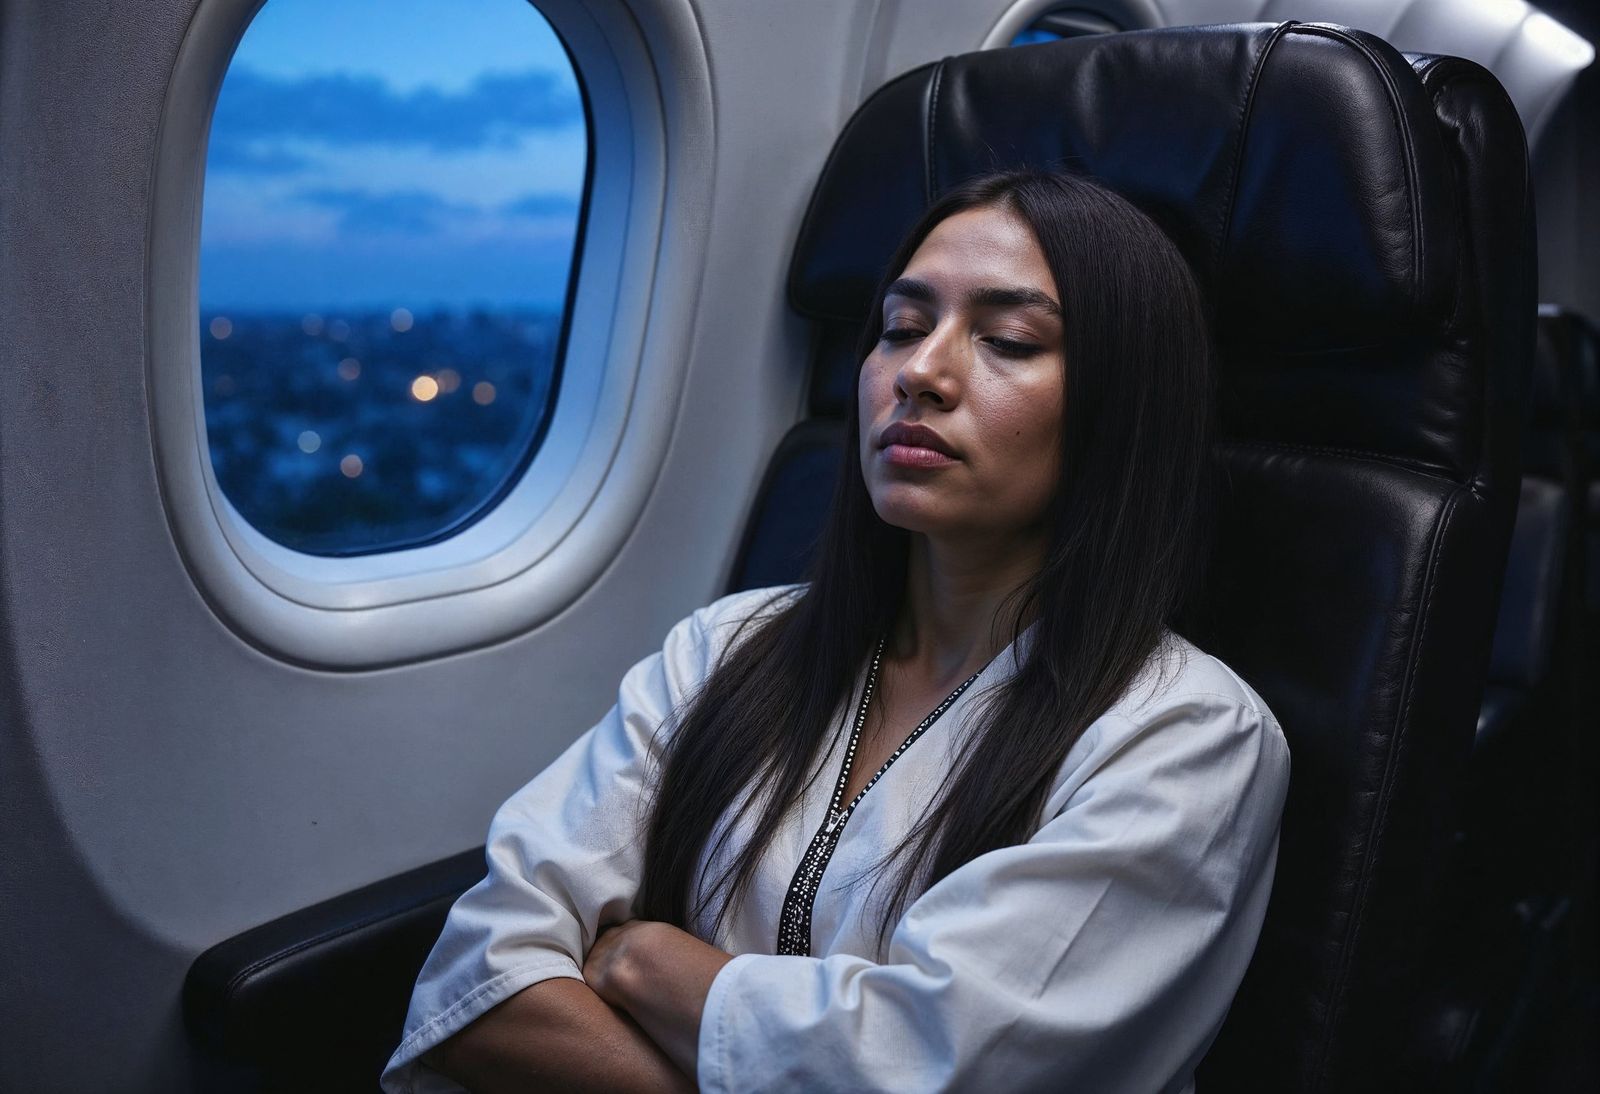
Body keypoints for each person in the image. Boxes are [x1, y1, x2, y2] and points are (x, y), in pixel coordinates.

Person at [380, 169, 1290, 1093]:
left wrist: (636, 961)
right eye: (900, 327)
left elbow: (928, 1068)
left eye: (1008, 340)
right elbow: (479, 982)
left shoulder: (1183, 736)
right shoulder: (732, 647)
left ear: (1123, 408)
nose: (921, 373)